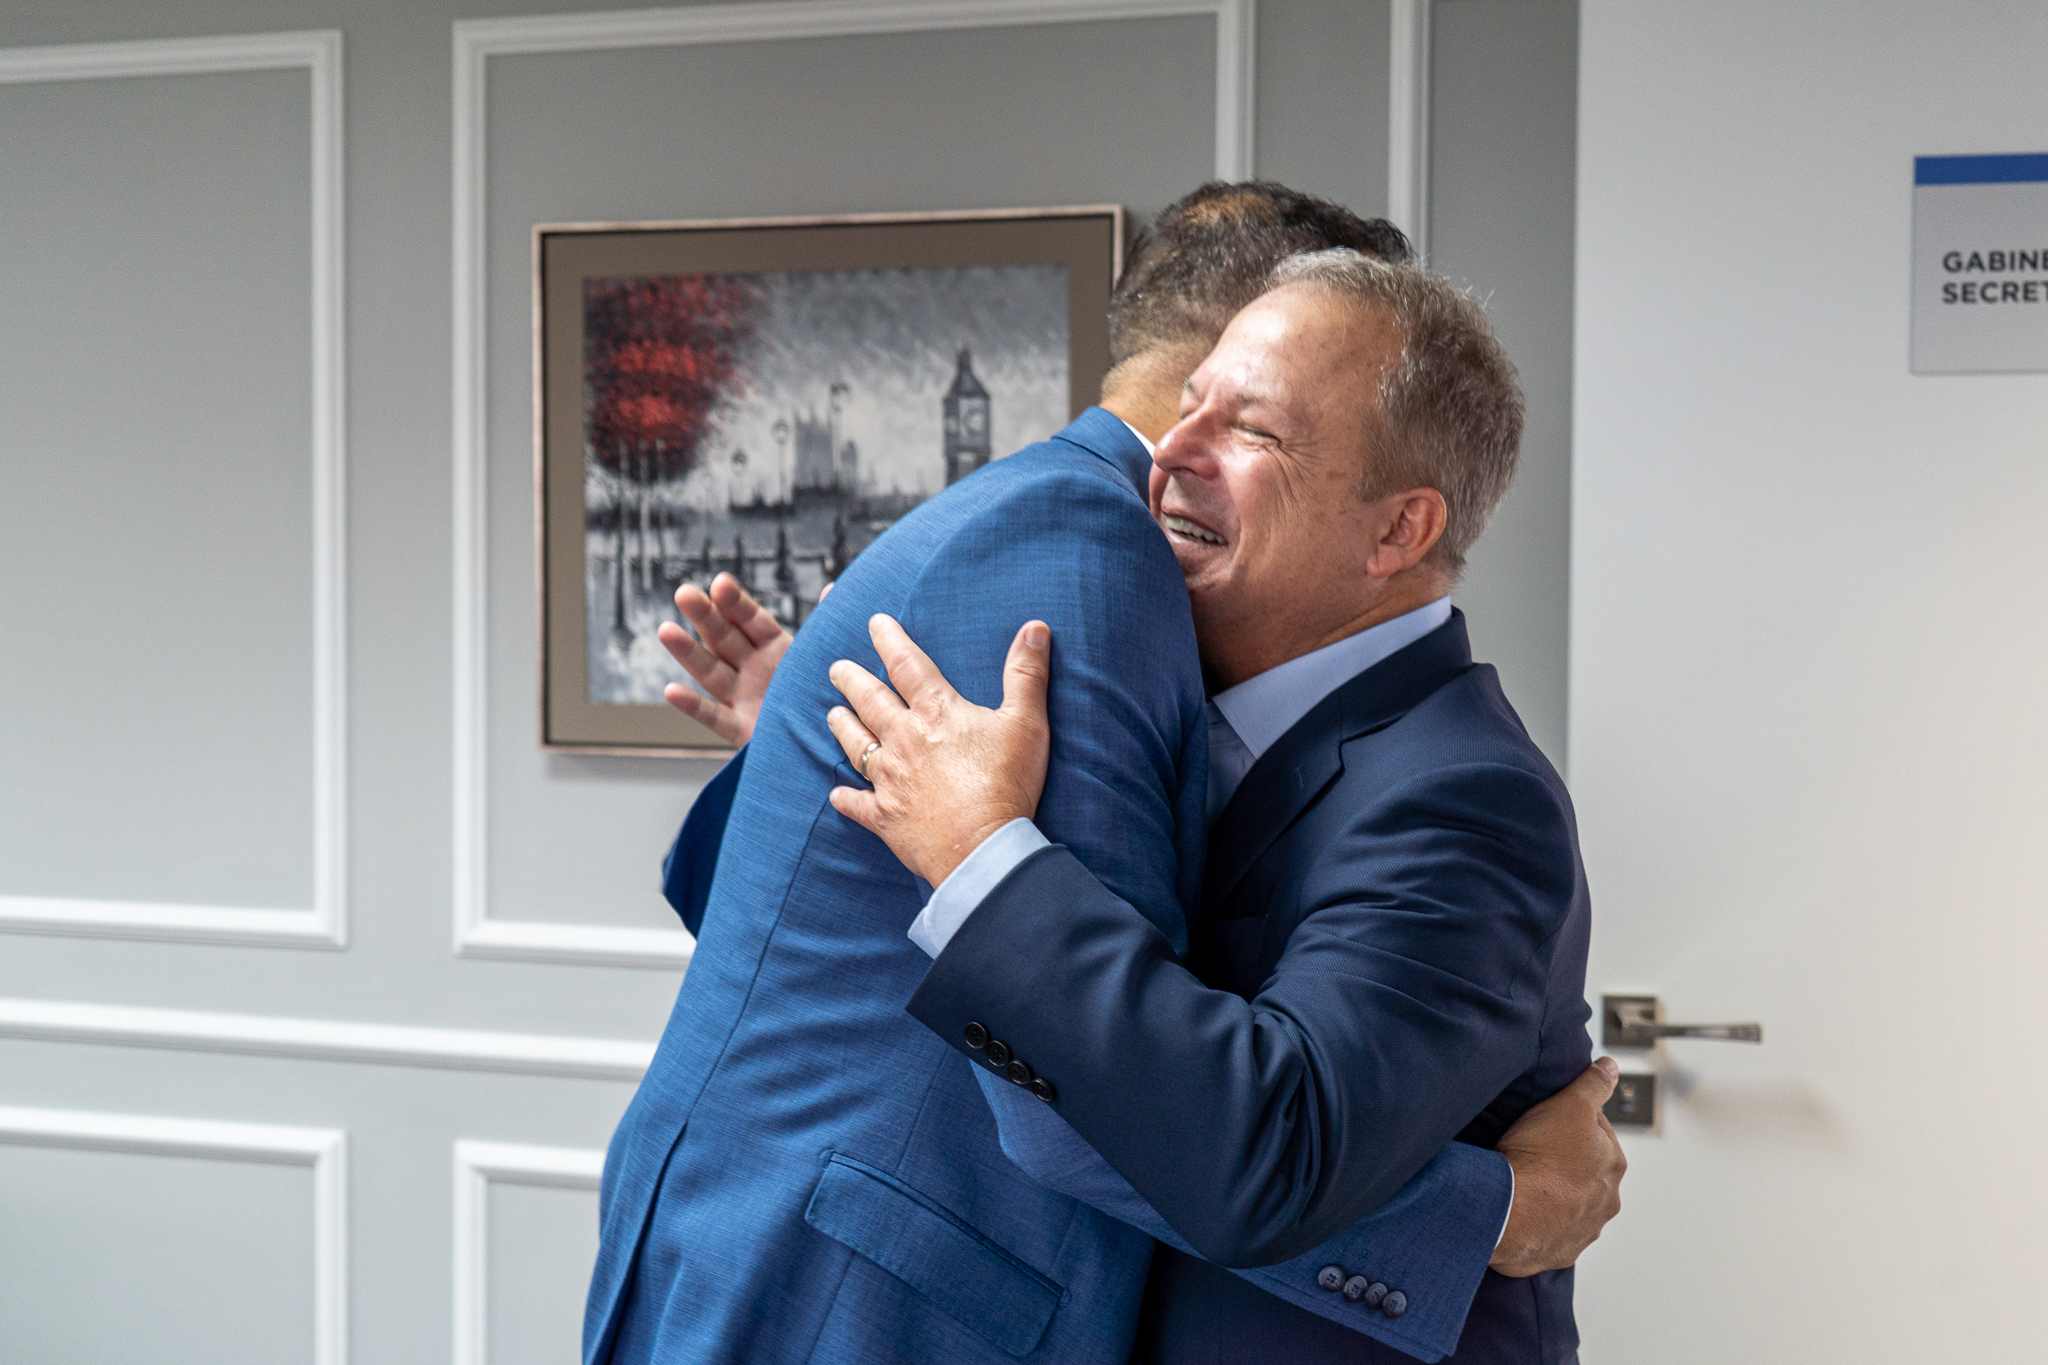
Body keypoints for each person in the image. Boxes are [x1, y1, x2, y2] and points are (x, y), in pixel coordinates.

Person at [586, 185, 1619, 1365]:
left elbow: (1230, 1138)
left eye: (1253, 427)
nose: (1169, 452)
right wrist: (818, 759)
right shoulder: (1109, 588)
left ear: (1397, 531)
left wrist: (976, 856)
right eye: (1190, 403)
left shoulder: (1464, 797)